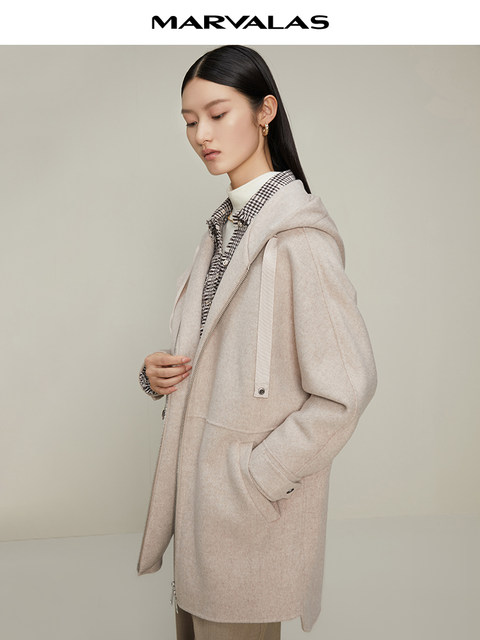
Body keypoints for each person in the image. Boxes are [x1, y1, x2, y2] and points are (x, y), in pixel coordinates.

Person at [136, 45, 378, 639]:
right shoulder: (224, 227)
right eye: (190, 121)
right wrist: (156, 374)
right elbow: (221, 354)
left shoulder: (297, 241)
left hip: (245, 511)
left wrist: (259, 475)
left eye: (218, 114)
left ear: (265, 111)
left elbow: (347, 389)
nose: (201, 135)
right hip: (200, 504)